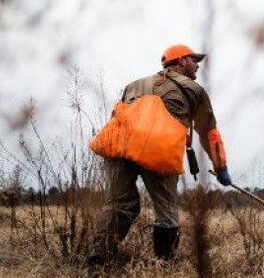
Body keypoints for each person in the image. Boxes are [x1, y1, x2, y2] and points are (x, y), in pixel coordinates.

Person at [88, 44, 231, 266]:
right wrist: (221, 167)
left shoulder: (133, 85)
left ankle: (99, 257)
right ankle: (165, 264)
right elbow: (208, 132)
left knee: (119, 204)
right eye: (195, 60)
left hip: (117, 146)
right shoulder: (194, 89)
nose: (197, 65)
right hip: (157, 149)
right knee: (166, 212)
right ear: (182, 61)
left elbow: (116, 115)